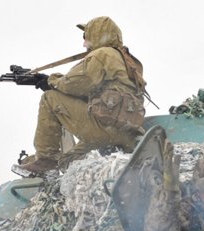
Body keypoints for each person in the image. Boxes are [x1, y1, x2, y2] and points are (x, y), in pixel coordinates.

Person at [14, 16, 147, 176]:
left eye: (86, 37)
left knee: (50, 98)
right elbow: (92, 90)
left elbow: (75, 84)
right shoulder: (126, 60)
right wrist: (50, 80)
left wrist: (50, 81)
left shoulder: (101, 54)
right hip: (126, 133)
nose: (84, 43)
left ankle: (46, 161)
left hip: (103, 128)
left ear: (97, 35)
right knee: (67, 162)